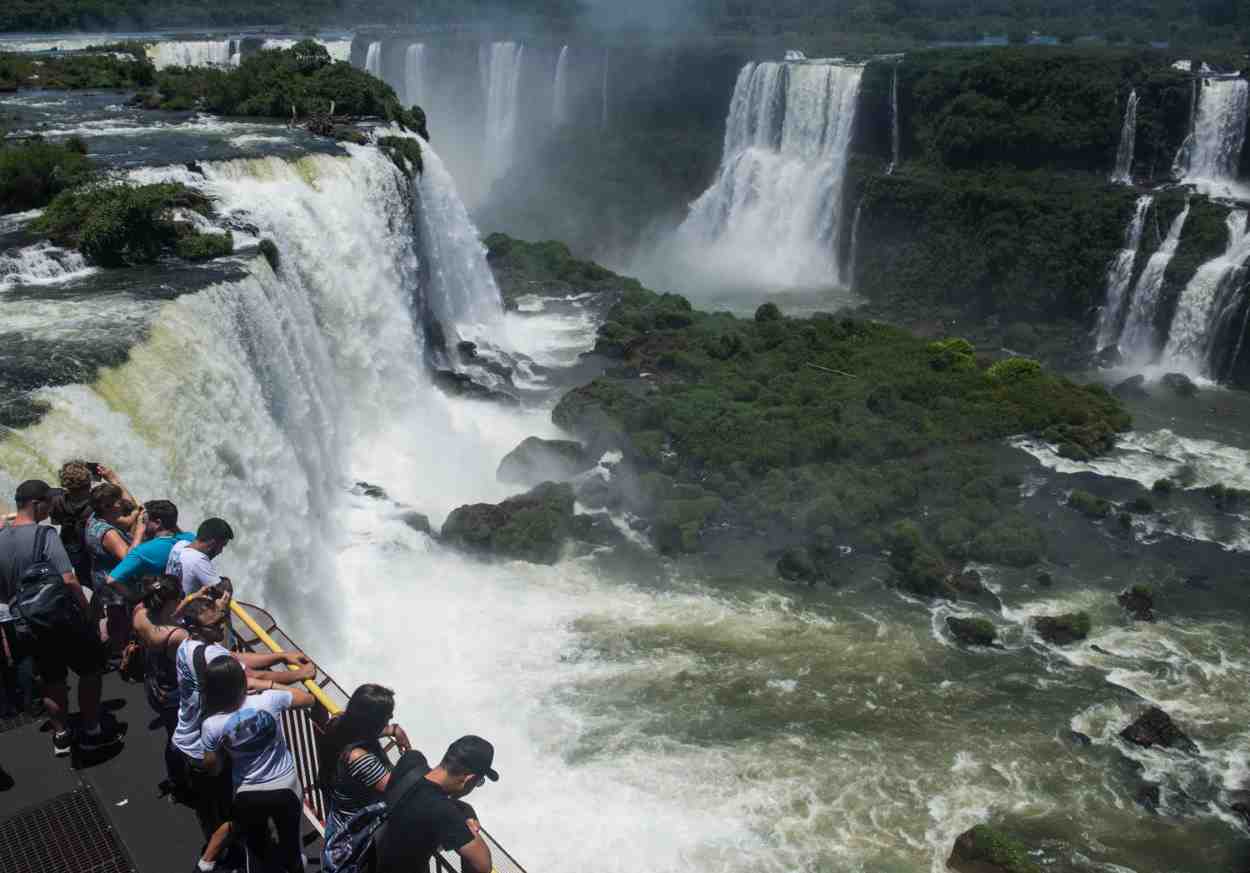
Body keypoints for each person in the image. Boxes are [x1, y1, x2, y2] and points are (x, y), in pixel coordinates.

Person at [172, 591, 315, 871]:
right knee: (233, 821)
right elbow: (254, 677)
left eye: (222, 620)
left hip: (186, 739)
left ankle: (210, 861)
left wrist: (281, 655)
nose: (222, 627)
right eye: (214, 625)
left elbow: (234, 659)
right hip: (204, 753)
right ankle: (218, 861)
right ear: (195, 628)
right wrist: (296, 676)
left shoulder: (187, 647)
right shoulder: (246, 696)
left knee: (223, 815)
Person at [0, 480, 119, 756]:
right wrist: (88, 611)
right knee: (90, 671)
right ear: (36, 504)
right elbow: (69, 579)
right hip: (63, 619)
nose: (52, 509)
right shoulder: (45, 536)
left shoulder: (1, 539)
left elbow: (3, 594)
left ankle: (62, 736)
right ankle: (91, 730)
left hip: (28, 624)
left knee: (52, 679)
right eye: (49, 504)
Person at [202, 657, 316, 873]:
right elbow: (308, 699)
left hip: (247, 794)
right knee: (292, 846)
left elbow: (213, 767)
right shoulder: (268, 700)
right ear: (242, 682)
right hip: (286, 787)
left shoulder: (211, 725)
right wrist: (265, 684)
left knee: (255, 849)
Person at [373, 736, 498, 873]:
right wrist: (472, 830)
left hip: (373, 857)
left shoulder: (411, 760)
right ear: (469, 779)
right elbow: (482, 865)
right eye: (478, 782)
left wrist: (466, 808)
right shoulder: (442, 811)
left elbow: (423, 794)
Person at [317, 685, 412, 844]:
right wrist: (410, 756)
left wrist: (394, 729)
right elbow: (399, 790)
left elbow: (361, 731)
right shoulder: (361, 760)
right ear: (373, 721)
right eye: (387, 714)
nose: (392, 715)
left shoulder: (337, 723)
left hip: (339, 815)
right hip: (355, 836)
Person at [130, 575, 190, 793]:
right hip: (174, 693)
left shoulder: (140, 613)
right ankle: (182, 782)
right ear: (170, 602)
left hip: (154, 686)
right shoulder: (177, 636)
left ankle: (177, 779)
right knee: (180, 737)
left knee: (171, 732)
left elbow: (165, 615)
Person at [85, 482, 147, 659]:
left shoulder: (96, 518)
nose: (122, 502)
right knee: (119, 619)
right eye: (118, 501)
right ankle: (118, 654)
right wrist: (140, 532)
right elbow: (128, 557)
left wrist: (136, 513)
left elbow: (126, 513)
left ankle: (113, 646)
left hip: (101, 575)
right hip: (114, 583)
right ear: (107, 506)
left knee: (115, 616)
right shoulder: (108, 533)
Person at [107, 499, 194, 590]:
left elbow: (112, 580)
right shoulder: (190, 539)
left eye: (144, 520)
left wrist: (139, 531)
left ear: (157, 523)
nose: (142, 523)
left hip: (160, 599)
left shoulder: (143, 551)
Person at [48, 461, 96, 591]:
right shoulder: (96, 501)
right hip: (90, 549)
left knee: (72, 580)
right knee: (91, 583)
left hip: (67, 545)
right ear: (88, 483)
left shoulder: (57, 500)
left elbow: (55, 522)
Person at [166, 518, 234, 597]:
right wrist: (227, 583)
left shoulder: (180, 545)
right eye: (221, 546)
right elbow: (223, 593)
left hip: (168, 601)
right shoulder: (198, 560)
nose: (221, 551)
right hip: (182, 606)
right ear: (212, 544)